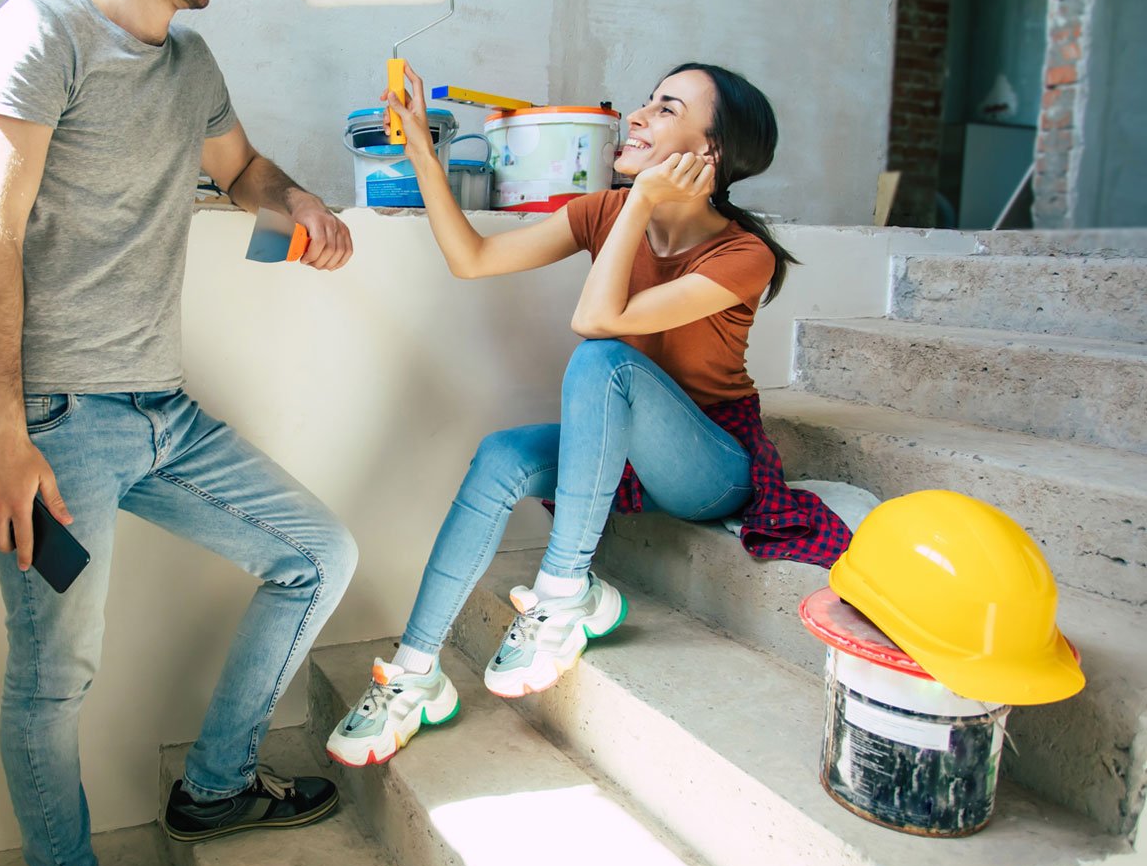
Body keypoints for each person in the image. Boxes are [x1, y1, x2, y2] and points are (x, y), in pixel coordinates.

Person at [0, 0, 356, 866]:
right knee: (56, 675)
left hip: (161, 415)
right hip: (53, 425)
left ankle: (216, 784)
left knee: (315, 552)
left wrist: (297, 199)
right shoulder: (38, 33)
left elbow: (240, 172)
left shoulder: (191, 70)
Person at [327, 62, 850, 768]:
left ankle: (564, 589)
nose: (637, 116)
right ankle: (415, 674)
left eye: (666, 108)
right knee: (502, 455)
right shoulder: (604, 211)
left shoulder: (742, 254)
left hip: (711, 464)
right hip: (626, 450)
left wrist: (634, 205)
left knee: (602, 361)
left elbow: (598, 322)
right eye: (647, 100)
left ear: (711, 154)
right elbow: (472, 258)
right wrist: (423, 148)